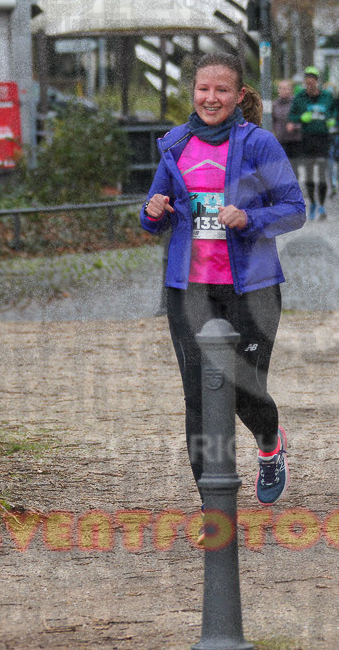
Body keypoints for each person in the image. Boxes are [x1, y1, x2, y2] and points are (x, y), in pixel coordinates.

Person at [140, 52, 305, 509]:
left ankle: (270, 444)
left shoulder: (259, 144)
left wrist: (249, 218)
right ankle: (213, 507)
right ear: (193, 92)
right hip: (189, 289)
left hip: (252, 288)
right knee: (198, 395)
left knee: (242, 390)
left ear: (239, 95)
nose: (210, 98)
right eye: (203, 89)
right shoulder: (175, 144)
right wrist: (152, 212)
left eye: (222, 90)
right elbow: (156, 211)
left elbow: (294, 210)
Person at [288, 67, 335, 221]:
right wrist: (301, 118)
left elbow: (334, 111)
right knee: (308, 174)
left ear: (317, 81)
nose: (310, 84)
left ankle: (322, 204)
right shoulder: (300, 97)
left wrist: (332, 119)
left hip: (323, 139)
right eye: (307, 81)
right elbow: (291, 117)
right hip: (307, 139)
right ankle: (313, 203)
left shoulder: (327, 96)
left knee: (321, 173)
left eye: (313, 80)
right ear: (305, 82)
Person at [271, 80, 301, 175]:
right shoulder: (275, 104)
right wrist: (274, 132)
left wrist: (295, 126)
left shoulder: (296, 103)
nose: (283, 91)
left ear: (291, 90)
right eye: (281, 88)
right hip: (281, 139)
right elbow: (273, 120)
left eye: (286, 88)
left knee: (293, 167)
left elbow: (302, 119)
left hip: (294, 140)